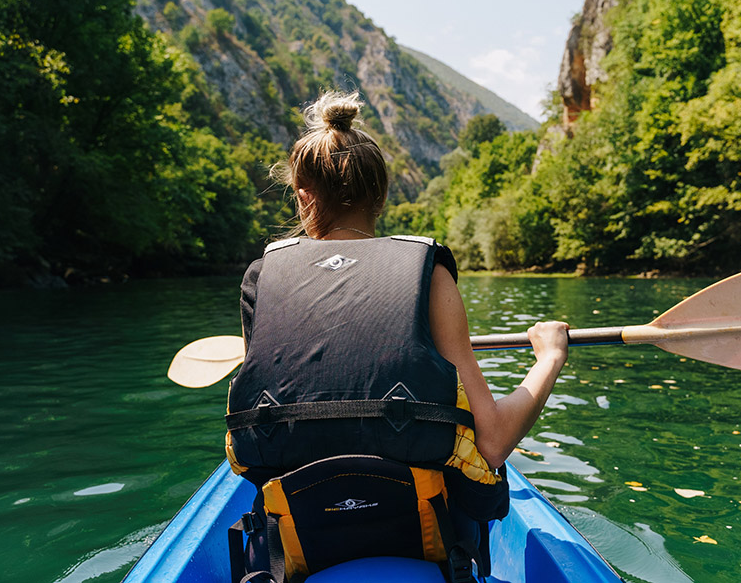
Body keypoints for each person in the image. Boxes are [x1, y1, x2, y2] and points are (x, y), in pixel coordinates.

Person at [224, 90, 570, 581]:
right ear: (382, 197)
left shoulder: (262, 277)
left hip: (302, 543)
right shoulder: (428, 273)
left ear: (302, 194)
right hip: (427, 540)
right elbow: (492, 443)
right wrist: (549, 357)